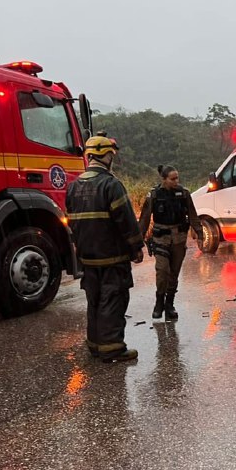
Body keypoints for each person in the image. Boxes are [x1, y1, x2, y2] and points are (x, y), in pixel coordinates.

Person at [66, 134, 144, 362]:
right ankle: (112, 347)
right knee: (113, 299)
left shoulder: (73, 187)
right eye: (111, 154)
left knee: (94, 300)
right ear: (105, 156)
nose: (112, 158)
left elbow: (72, 223)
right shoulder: (111, 185)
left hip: (88, 258)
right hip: (112, 257)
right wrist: (136, 247)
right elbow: (126, 220)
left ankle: (95, 344)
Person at [138, 164, 203, 320]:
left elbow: (193, 215)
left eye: (177, 178)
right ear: (164, 179)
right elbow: (145, 218)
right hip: (161, 238)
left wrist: (200, 234)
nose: (176, 181)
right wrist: (138, 242)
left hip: (179, 239)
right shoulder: (154, 195)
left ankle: (169, 305)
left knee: (173, 274)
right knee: (162, 271)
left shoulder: (184, 193)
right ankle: (159, 302)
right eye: (172, 179)